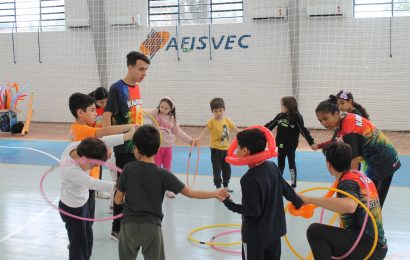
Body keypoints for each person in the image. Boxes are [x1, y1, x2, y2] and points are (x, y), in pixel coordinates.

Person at [115, 125, 229, 260]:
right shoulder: (163, 174)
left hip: (129, 225)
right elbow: (190, 193)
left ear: (136, 149)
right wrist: (214, 193)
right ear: (158, 149)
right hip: (151, 226)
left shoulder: (128, 169)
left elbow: (117, 200)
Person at [222, 128, 303, 260]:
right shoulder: (272, 166)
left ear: (244, 151)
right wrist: (298, 201)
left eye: (237, 147)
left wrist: (228, 203)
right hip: (275, 232)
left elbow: (253, 211)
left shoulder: (248, 179)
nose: (235, 150)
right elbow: (287, 190)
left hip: (255, 237)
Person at [300, 142, 388, 259]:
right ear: (350, 161)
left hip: (368, 246)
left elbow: (350, 206)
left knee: (314, 231)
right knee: (332, 240)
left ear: (328, 164)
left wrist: (310, 199)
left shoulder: (348, 182)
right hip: (378, 245)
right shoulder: (359, 177)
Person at [59, 131, 134, 260]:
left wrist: (129, 134)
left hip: (82, 204)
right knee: (78, 246)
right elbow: (92, 183)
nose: (93, 167)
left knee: (88, 239)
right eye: (93, 164)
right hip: (72, 209)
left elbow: (105, 140)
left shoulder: (78, 147)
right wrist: (119, 186)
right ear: (84, 158)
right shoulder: (70, 170)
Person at [315, 97, 401, 207]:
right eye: (320, 120)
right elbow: (336, 139)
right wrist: (320, 145)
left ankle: (369, 219)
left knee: (372, 200)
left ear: (336, 114)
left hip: (383, 161)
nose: (323, 123)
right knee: (367, 194)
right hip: (379, 158)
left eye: (325, 119)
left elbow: (353, 163)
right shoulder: (345, 117)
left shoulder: (350, 130)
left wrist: (348, 188)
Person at [102, 51, 151, 241]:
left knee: (136, 188)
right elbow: (107, 119)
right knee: (122, 190)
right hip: (124, 148)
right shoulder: (116, 88)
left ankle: (130, 223)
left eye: (146, 69)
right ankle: (116, 229)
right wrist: (107, 143)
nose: (144, 73)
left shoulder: (137, 87)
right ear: (130, 67)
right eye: (141, 69)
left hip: (138, 147)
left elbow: (134, 112)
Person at [68, 92, 136, 222]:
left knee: (88, 219)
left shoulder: (78, 128)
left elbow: (103, 140)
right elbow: (106, 132)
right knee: (85, 219)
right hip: (87, 181)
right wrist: (130, 127)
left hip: (88, 178)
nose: (96, 113)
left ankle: (86, 237)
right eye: (93, 110)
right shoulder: (82, 129)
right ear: (80, 112)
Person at [144, 96, 196, 198]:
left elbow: (179, 132)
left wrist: (190, 140)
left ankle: (168, 188)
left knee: (167, 168)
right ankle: (155, 187)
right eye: (161, 107)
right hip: (157, 147)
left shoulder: (173, 119)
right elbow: (143, 111)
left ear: (171, 109)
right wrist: (136, 109)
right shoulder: (155, 113)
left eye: (166, 108)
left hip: (168, 148)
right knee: (156, 168)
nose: (162, 110)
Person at [264, 96, 315, 187]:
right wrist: (259, 131)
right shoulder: (280, 116)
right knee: (280, 164)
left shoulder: (297, 117)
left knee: (291, 163)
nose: (281, 107)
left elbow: (303, 130)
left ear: (288, 106)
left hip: (291, 145)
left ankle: (293, 182)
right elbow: (270, 125)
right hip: (280, 144)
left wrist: (311, 142)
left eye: (282, 105)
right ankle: (278, 180)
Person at [196, 97, 240, 192]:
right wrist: (198, 139)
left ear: (224, 109)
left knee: (227, 169)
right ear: (212, 111)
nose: (219, 113)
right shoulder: (212, 122)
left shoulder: (227, 120)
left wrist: (243, 133)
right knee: (217, 169)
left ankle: (226, 185)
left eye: (220, 110)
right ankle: (218, 187)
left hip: (227, 150)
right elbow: (205, 132)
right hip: (216, 150)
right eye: (216, 111)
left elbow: (236, 129)